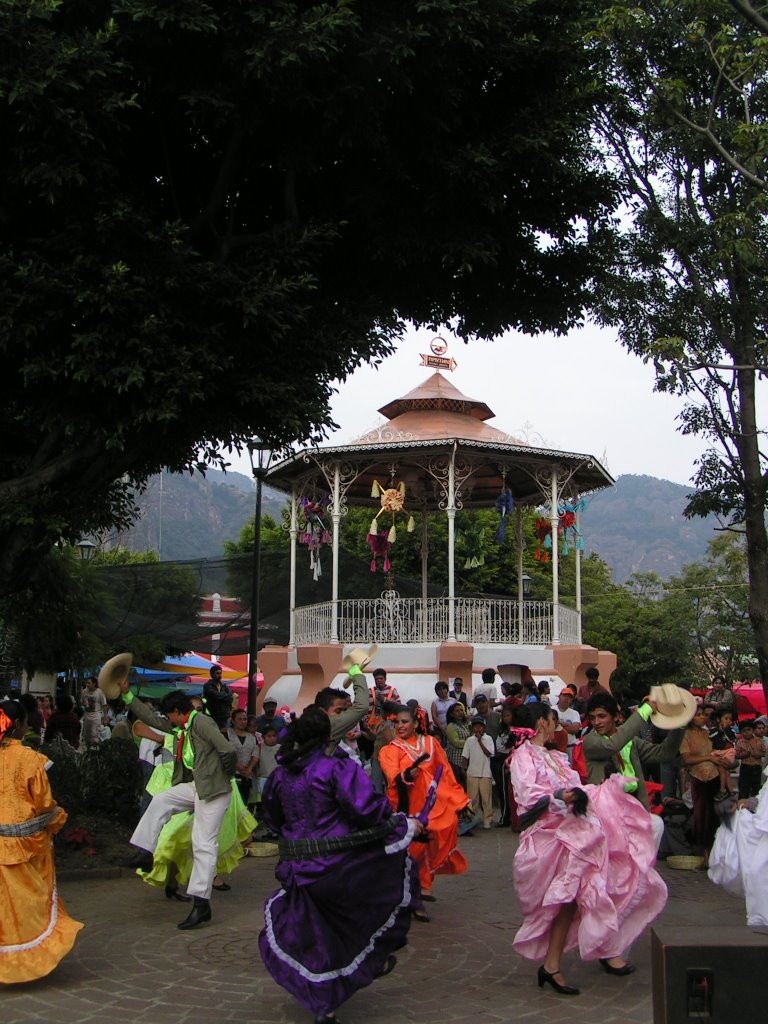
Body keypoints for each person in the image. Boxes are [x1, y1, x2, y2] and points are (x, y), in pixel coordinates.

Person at [258, 705, 421, 1024]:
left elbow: (272, 819)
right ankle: (362, 967)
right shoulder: (334, 768)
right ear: (326, 736)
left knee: (319, 934)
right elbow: (368, 809)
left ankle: (325, 1005)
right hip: (336, 868)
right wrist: (401, 824)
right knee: (368, 906)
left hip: (296, 873)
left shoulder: (280, 774)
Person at [506, 701, 667, 996]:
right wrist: (563, 795)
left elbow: (577, 787)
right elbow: (529, 797)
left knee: (580, 896)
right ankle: (559, 963)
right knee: (566, 901)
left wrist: (595, 793)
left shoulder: (554, 755)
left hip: (573, 835)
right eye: (552, 718)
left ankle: (563, 962)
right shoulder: (523, 756)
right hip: (550, 839)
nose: (557, 724)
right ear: (541, 722)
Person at [117, 685, 237, 929]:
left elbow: (228, 749)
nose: (166, 720)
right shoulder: (181, 726)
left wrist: (224, 774)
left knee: (203, 843)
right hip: (196, 787)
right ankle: (145, 853)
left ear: (176, 711)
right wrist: (127, 695)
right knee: (162, 799)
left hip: (214, 791)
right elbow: (151, 718)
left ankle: (201, 905)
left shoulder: (201, 722)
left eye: (168, 714)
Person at [0, 699, 83, 983]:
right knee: (27, 906)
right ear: (22, 724)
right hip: (24, 846)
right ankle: (24, 963)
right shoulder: (30, 760)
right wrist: (57, 818)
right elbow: (44, 804)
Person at [379, 704, 470, 915]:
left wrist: (458, 799)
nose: (400, 726)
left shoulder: (430, 743)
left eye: (404, 722)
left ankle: (420, 888)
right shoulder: (390, 749)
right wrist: (406, 776)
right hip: (405, 808)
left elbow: (445, 771)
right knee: (410, 852)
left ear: (416, 723)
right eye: (397, 723)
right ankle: (413, 896)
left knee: (438, 836)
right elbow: (392, 774)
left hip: (432, 806)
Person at [582, 690, 687, 850]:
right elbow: (614, 745)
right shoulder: (591, 741)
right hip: (606, 814)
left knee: (655, 825)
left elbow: (665, 753)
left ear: (616, 717)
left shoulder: (632, 742)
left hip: (633, 806)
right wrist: (645, 710)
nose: (596, 722)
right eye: (592, 717)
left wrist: (680, 724)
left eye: (602, 716)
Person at [708, 772, 768, 927]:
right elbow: (765, 792)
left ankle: (761, 921)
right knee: (756, 872)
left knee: (758, 871)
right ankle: (760, 922)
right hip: (764, 827)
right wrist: (751, 802)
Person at [679, 707, 723, 859]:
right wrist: (708, 758)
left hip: (714, 775)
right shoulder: (685, 735)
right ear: (691, 718)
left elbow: (719, 751)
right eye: (698, 715)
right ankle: (701, 853)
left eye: (704, 715)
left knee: (713, 815)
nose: (702, 718)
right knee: (700, 815)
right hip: (698, 777)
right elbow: (686, 759)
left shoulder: (709, 734)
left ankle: (713, 853)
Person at [462, 717, 495, 828]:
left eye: (480, 726)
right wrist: (464, 767)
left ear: (484, 728)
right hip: (472, 773)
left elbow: (489, 753)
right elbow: (465, 755)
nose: (478, 728)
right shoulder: (469, 740)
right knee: (473, 799)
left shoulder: (488, 739)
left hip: (485, 773)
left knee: (486, 799)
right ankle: (472, 820)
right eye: (475, 726)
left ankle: (487, 820)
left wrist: (480, 741)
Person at [709, 707, 737, 799]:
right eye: (726, 718)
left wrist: (725, 730)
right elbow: (716, 743)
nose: (729, 721)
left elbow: (732, 739)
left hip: (729, 752)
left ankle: (722, 790)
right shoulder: (713, 730)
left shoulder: (731, 730)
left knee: (722, 767)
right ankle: (731, 791)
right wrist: (719, 731)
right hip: (717, 752)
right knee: (725, 772)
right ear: (718, 719)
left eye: (730, 719)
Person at [445, 701, 471, 787]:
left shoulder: (465, 724)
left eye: (461, 710)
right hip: (455, 760)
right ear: (452, 714)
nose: (460, 712)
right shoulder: (451, 726)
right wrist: (469, 742)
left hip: (465, 759)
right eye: (457, 711)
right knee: (458, 784)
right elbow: (456, 742)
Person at [735, 719, 764, 798]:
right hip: (745, 767)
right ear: (741, 732)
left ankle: (756, 807)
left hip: (757, 767)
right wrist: (744, 755)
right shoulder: (740, 742)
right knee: (744, 788)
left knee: (757, 788)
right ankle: (742, 807)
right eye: (744, 730)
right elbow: (736, 755)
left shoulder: (759, 741)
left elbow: (765, 753)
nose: (747, 732)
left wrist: (759, 754)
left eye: (749, 730)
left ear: (753, 730)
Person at [554, 685, 582, 763]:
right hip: (555, 748)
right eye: (564, 695)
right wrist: (567, 725)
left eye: (569, 697)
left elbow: (575, 729)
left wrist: (559, 724)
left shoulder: (575, 713)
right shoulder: (551, 709)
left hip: (570, 747)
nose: (566, 698)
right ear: (559, 696)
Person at [202, 664, 233, 730]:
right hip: (212, 716)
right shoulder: (207, 686)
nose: (219, 675)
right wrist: (224, 695)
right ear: (212, 675)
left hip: (225, 716)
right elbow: (214, 695)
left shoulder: (224, 686)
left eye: (220, 673)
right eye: (217, 673)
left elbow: (230, 698)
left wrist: (222, 696)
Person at [80, 675, 107, 746]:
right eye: (86, 683)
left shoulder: (100, 692)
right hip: (86, 716)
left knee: (94, 736)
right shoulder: (84, 691)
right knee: (86, 736)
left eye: (89, 683)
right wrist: (84, 703)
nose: (87, 685)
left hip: (96, 717)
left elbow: (104, 705)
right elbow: (81, 702)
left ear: (94, 684)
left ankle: (94, 751)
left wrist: (105, 717)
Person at [430, 681, 454, 745]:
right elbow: (434, 716)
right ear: (437, 692)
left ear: (447, 690)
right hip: (438, 729)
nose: (442, 691)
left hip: (452, 728)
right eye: (440, 690)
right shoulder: (435, 703)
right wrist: (442, 728)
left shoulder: (453, 701)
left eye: (444, 689)